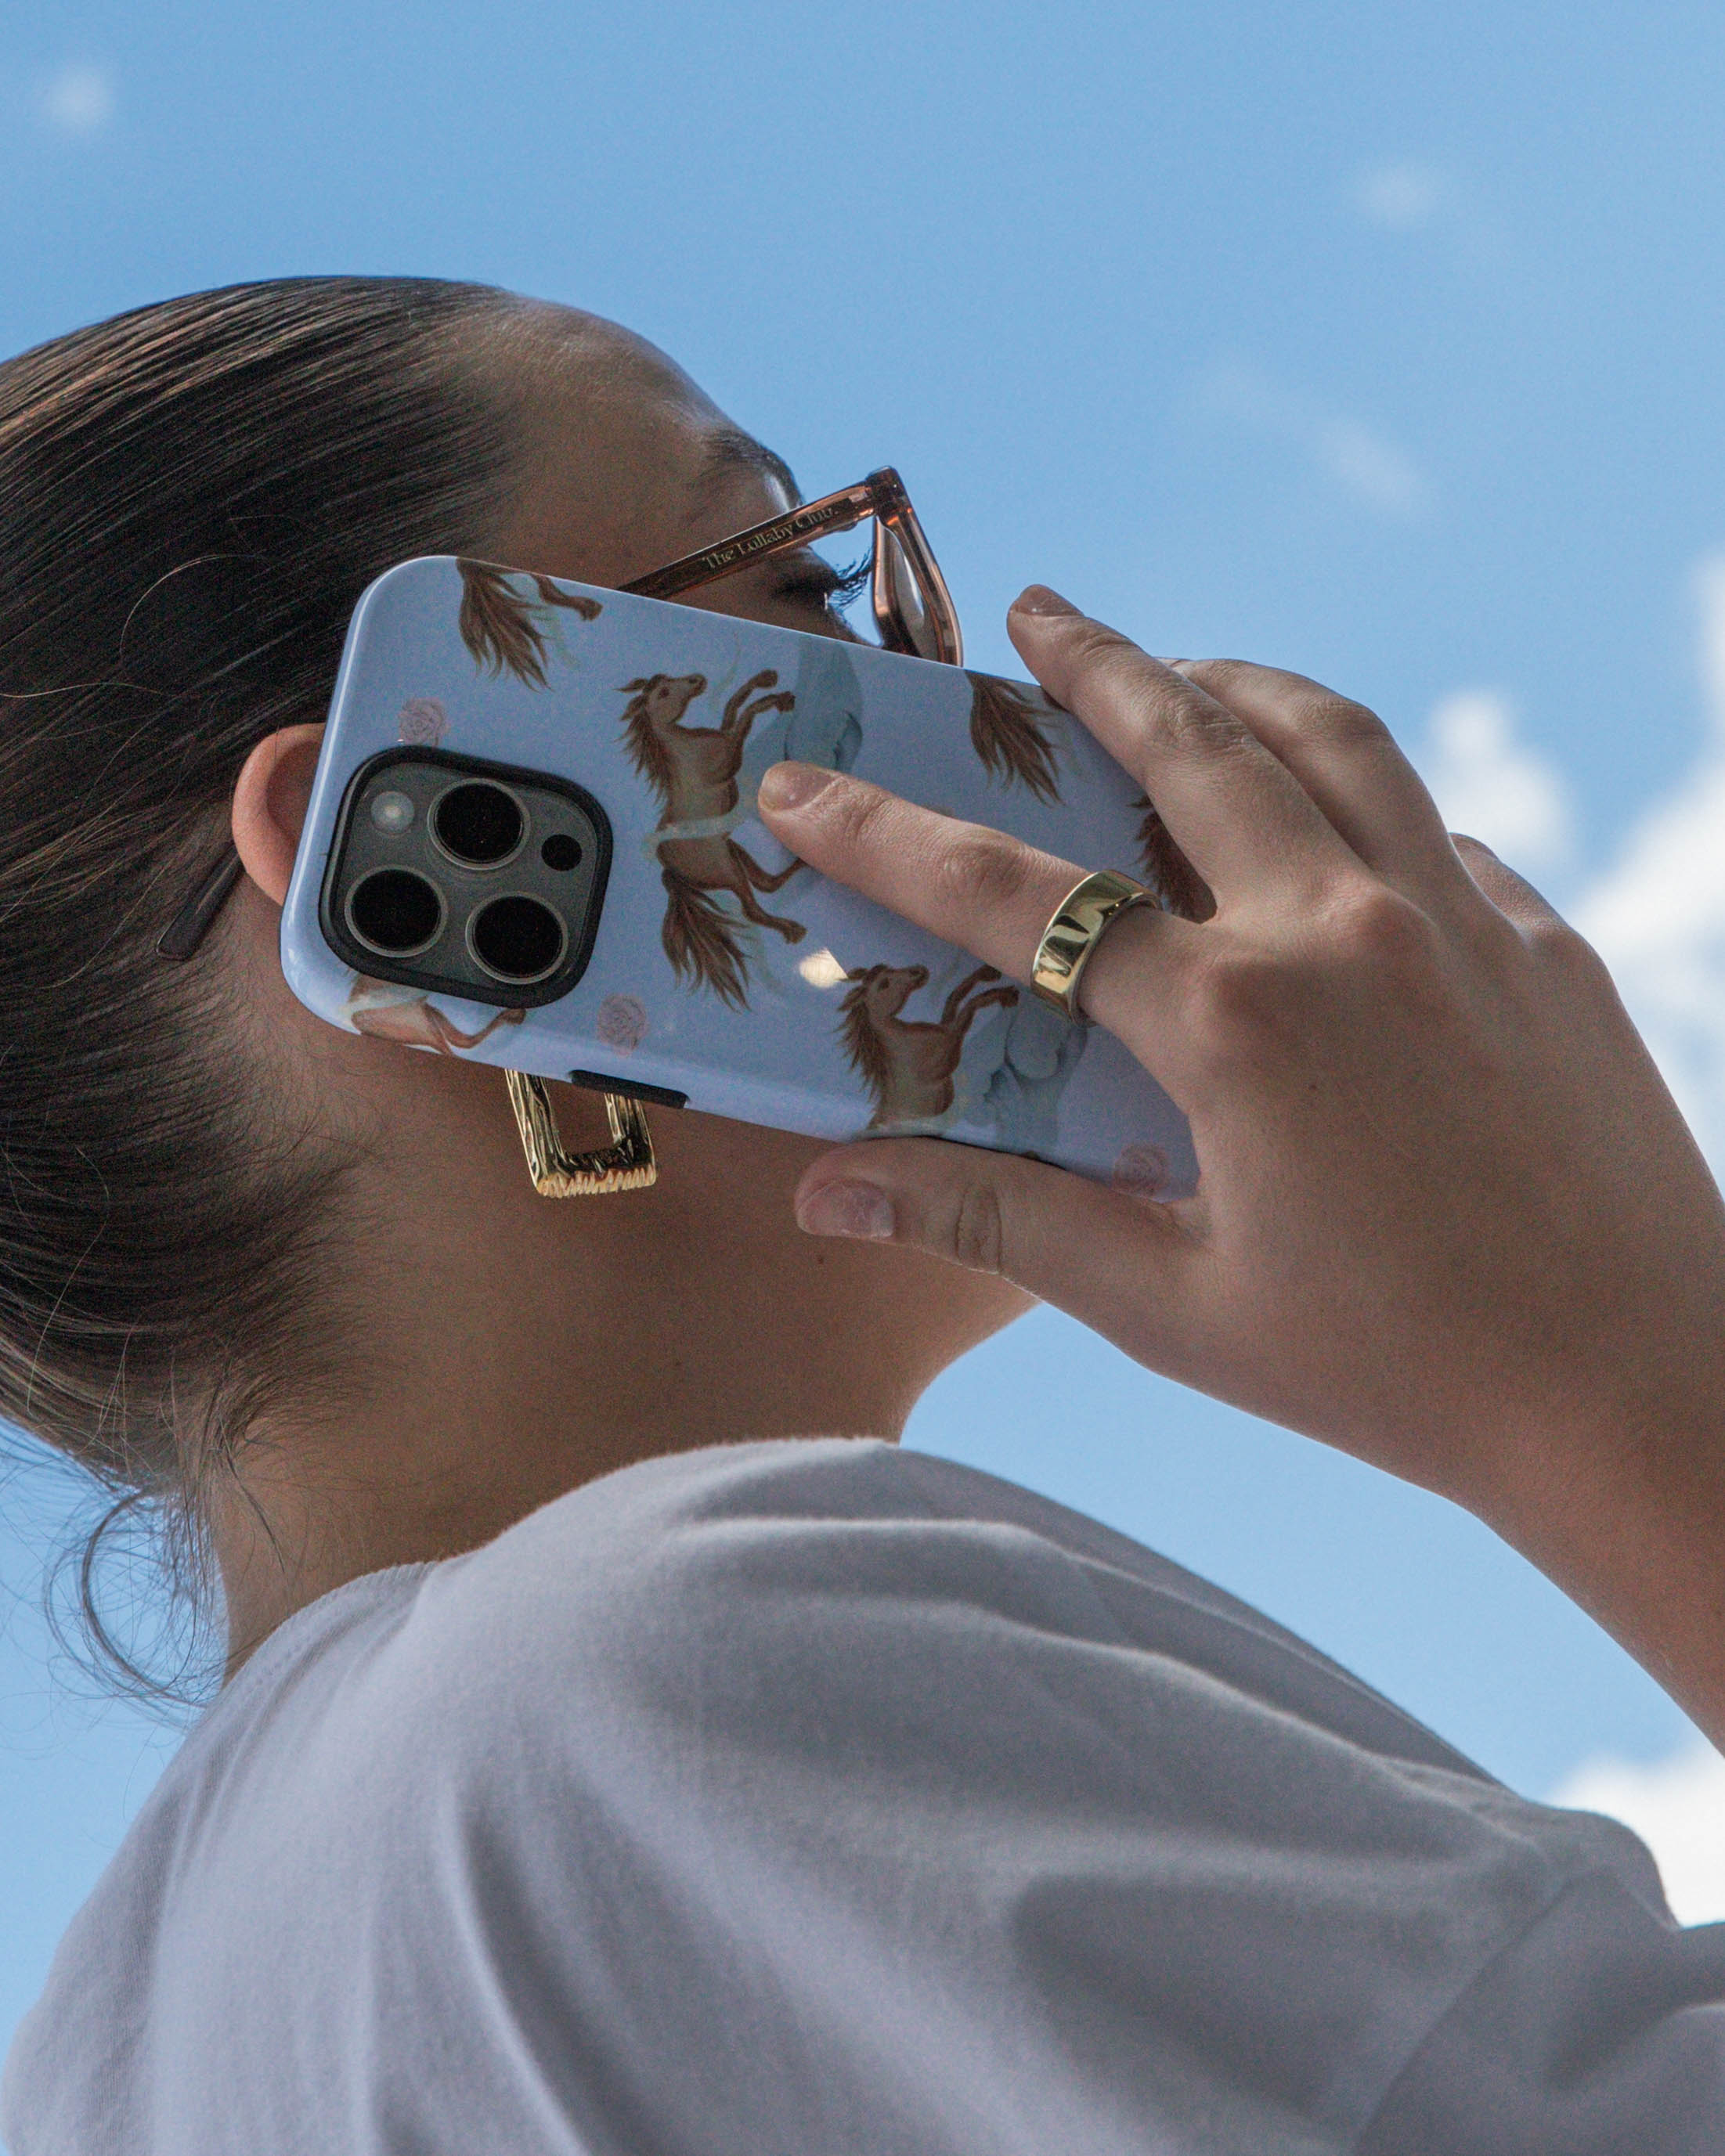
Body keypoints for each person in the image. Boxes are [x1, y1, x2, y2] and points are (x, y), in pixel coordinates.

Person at [2, 276, 1723, 2154]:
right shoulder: (672, 1667)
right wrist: (1622, 1372)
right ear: (399, 848)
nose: (967, 696)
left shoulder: (113, 2052)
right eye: (810, 587)